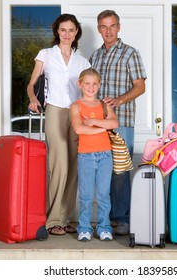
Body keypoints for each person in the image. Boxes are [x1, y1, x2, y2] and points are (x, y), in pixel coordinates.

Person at [27, 14, 90, 236]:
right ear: (57, 31)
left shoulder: (83, 62)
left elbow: (88, 90)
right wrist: (34, 99)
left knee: (73, 166)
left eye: (71, 30)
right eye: (63, 29)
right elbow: (31, 84)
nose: (67, 34)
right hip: (54, 110)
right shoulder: (46, 54)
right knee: (58, 165)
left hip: (77, 114)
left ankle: (65, 219)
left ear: (76, 33)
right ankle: (53, 219)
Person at [89, 10, 147, 236]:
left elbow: (140, 86)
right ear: (98, 29)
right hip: (98, 124)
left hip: (121, 122)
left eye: (112, 26)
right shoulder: (95, 56)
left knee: (120, 171)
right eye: (104, 26)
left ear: (119, 27)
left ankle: (123, 219)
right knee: (102, 171)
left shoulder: (130, 53)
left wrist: (120, 100)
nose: (108, 30)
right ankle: (107, 219)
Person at [70, 68, 119, 241]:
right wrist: (102, 128)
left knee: (103, 194)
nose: (91, 87)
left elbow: (114, 123)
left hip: (105, 155)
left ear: (99, 85)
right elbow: (78, 128)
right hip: (86, 155)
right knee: (86, 195)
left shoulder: (104, 105)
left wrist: (92, 122)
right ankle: (84, 228)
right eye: (87, 83)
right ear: (80, 84)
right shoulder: (76, 106)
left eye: (95, 84)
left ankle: (104, 227)